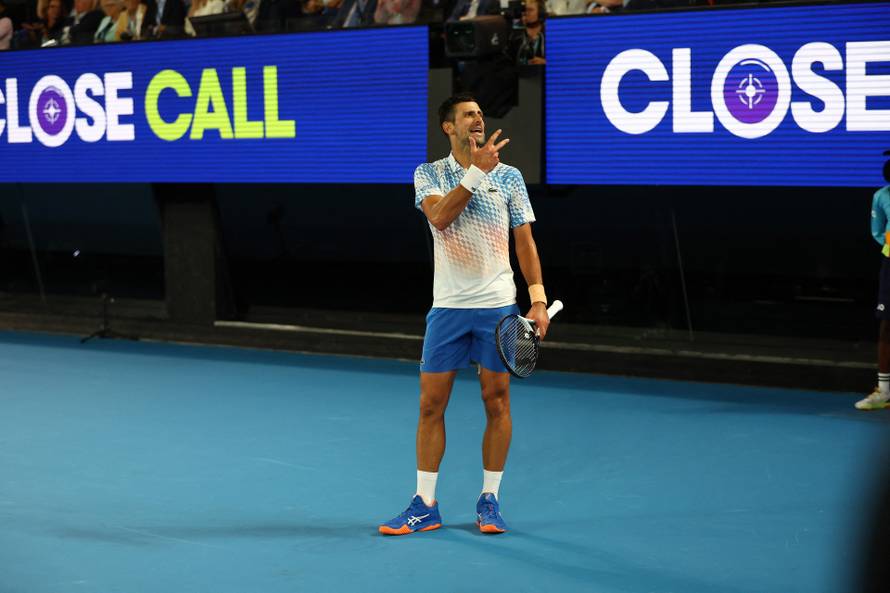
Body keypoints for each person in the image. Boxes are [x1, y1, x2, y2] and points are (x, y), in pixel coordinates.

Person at [379, 93, 550, 535]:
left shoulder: (509, 177)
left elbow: (524, 242)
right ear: (448, 127)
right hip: (448, 310)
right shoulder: (429, 173)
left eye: (480, 112)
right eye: (468, 115)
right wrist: (476, 173)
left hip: (497, 309)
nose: (478, 119)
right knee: (430, 406)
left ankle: (489, 500)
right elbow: (439, 217)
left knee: (497, 401)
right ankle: (425, 504)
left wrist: (536, 298)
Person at [857, 152, 890, 410]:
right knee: (886, 325)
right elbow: (878, 232)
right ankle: (884, 391)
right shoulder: (881, 196)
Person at [509, 0, 544, 66]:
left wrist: (545, 62)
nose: (526, 13)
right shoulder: (516, 35)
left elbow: (561, 61)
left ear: (540, 13)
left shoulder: (549, 35)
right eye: (525, 10)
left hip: (543, 74)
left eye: (530, 10)